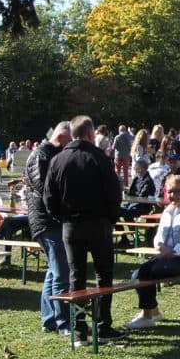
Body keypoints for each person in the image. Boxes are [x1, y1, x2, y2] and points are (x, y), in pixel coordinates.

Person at [45, 116, 124, 341]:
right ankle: (103, 325)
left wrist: (62, 218)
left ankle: (79, 329)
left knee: (76, 276)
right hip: (99, 224)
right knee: (104, 275)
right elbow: (114, 193)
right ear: (90, 134)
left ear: (72, 134)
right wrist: (111, 219)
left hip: (71, 225)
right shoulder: (99, 158)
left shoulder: (58, 160)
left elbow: (49, 197)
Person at [126, 174, 180, 328]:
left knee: (144, 274)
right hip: (168, 256)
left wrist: (171, 252)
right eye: (170, 192)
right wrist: (161, 248)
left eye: (177, 191)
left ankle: (147, 316)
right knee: (136, 275)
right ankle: (153, 312)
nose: (173, 195)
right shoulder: (168, 210)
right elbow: (158, 237)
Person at [25, 121, 74, 338]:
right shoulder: (41, 156)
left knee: (53, 272)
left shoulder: (50, 154)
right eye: (70, 140)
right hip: (46, 221)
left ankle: (49, 319)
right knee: (61, 273)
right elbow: (47, 190)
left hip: (49, 220)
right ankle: (63, 322)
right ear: (62, 136)